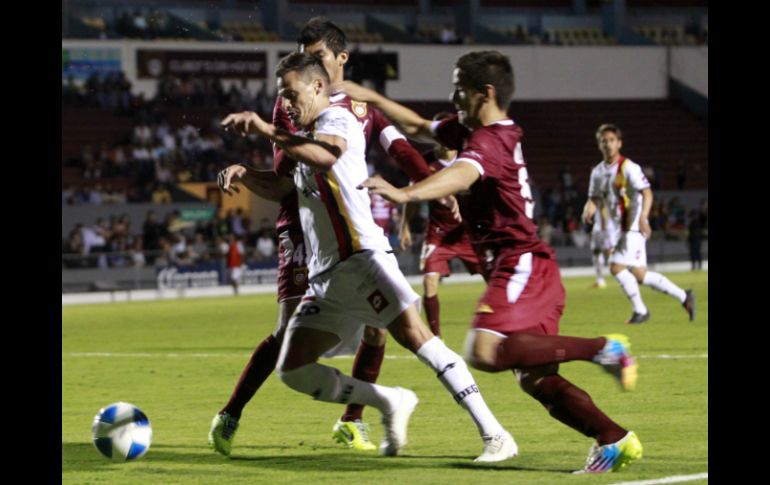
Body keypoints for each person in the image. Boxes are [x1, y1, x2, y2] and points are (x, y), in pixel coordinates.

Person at [344, 50, 643, 473]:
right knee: (536, 379)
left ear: (484, 92)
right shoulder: (474, 130)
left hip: (520, 263)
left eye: (458, 88)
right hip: (523, 266)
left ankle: (604, 349)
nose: (452, 96)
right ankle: (613, 438)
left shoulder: (490, 140)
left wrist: (406, 193)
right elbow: (418, 127)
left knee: (483, 350)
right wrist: (369, 97)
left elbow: (463, 174)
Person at [220, 51, 517, 461]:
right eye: (281, 96)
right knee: (293, 370)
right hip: (326, 276)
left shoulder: (337, 119)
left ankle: (495, 434)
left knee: (418, 339)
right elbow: (283, 187)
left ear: (318, 86)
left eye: (291, 93)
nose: (286, 103)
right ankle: (390, 401)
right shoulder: (302, 136)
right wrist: (246, 173)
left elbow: (327, 155)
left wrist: (266, 129)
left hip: (362, 258)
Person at [208, 17, 450, 457]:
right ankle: (231, 413)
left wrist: (435, 187)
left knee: (378, 328)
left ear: (340, 58)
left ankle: (352, 420)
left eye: (317, 55)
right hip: (304, 227)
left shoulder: (360, 105)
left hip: (353, 229)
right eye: (305, 55)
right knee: (287, 332)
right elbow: (285, 179)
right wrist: (249, 170)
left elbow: (400, 147)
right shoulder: (288, 105)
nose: (309, 63)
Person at [582, 124, 696, 324]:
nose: (607, 144)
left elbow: (647, 192)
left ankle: (640, 310)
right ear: (599, 145)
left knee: (615, 266)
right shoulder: (597, 172)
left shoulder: (629, 167)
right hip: (620, 228)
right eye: (603, 141)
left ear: (619, 143)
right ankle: (684, 296)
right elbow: (595, 198)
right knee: (640, 274)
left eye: (611, 140)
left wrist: (643, 217)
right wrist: (588, 208)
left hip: (633, 224)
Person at [399, 114, 482, 337]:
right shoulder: (425, 162)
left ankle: (500, 326)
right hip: (438, 233)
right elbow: (413, 195)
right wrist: (404, 226)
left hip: (468, 232)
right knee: (429, 282)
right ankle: (436, 338)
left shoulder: (469, 158)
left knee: (494, 277)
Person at [588, 200, 615, 289]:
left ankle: (601, 280)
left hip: (602, 228)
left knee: (600, 252)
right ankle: (621, 275)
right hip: (608, 227)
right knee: (608, 251)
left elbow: (603, 206)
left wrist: (603, 225)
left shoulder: (601, 195)